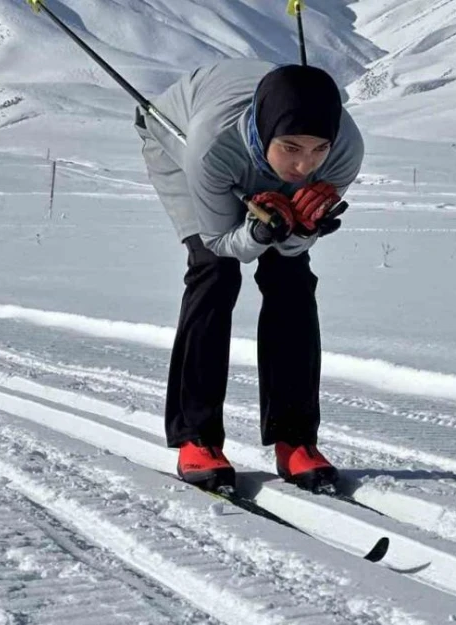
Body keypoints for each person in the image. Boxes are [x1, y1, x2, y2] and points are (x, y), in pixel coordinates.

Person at [135, 59, 364, 493]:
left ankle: (294, 438)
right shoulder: (210, 146)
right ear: (267, 131)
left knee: (291, 276)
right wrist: (258, 230)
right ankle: (196, 436)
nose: (305, 166)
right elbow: (222, 241)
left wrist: (301, 229)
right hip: (177, 143)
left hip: (248, 142)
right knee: (214, 273)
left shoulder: (345, 151)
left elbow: (293, 246)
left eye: (318, 149)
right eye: (292, 148)